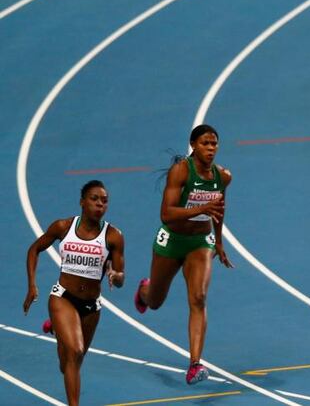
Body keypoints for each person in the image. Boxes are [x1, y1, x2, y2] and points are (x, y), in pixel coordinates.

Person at [134, 124, 233, 385]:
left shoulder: (223, 177)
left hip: (200, 242)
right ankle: (145, 290)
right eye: (205, 144)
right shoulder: (181, 171)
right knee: (155, 301)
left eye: (214, 144)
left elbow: (219, 209)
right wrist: (202, 207)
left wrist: (219, 242)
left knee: (198, 298)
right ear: (193, 146)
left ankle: (195, 364)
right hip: (172, 240)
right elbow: (166, 214)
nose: (211, 149)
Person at [23, 180, 125, 406]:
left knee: (68, 363)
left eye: (105, 201)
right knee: (75, 350)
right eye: (94, 199)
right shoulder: (63, 227)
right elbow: (34, 249)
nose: (100, 204)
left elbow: (120, 278)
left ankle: (59, 330)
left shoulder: (113, 236)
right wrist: (32, 285)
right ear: (82, 202)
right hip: (63, 298)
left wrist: (115, 277)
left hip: (91, 307)